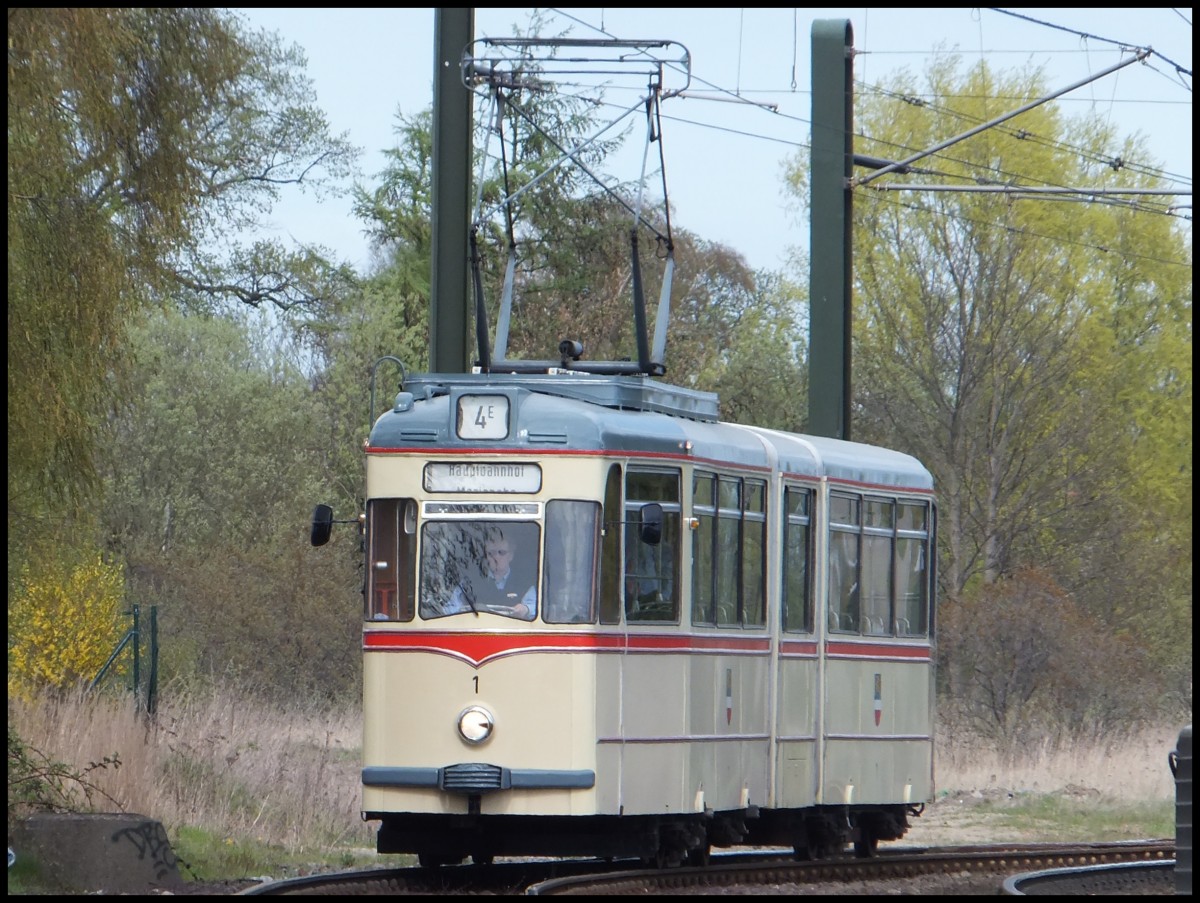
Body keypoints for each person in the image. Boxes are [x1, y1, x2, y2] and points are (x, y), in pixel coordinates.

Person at [449, 528, 537, 619]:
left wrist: (525, 609)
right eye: (491, 553)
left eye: (501, 553)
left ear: (510, 556)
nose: (496, 557)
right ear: (486, 556)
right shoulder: (469, 582)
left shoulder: (524, 582)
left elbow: (536, 608)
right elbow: (451, 608)